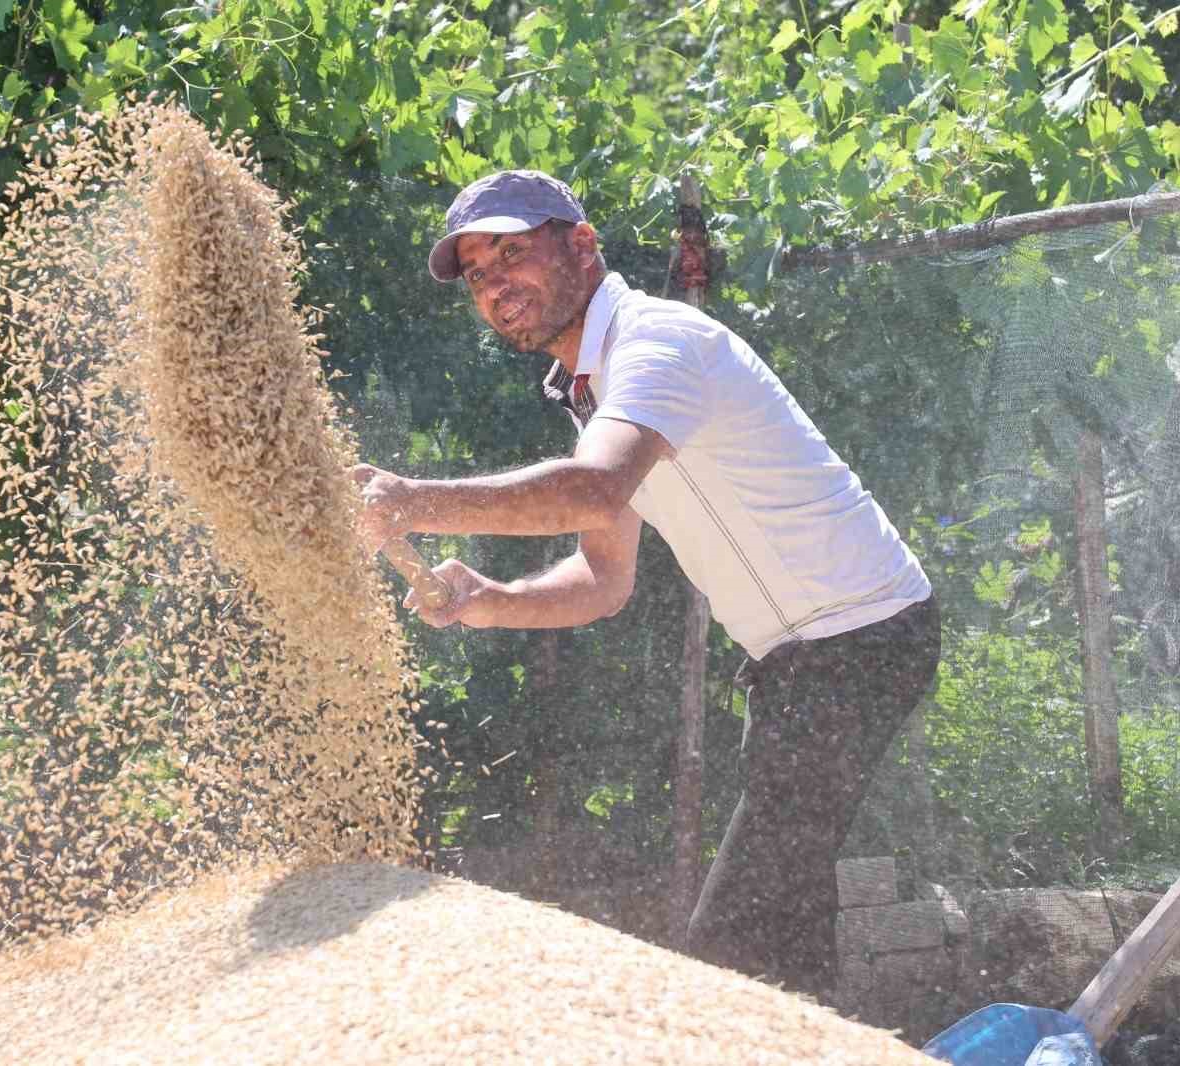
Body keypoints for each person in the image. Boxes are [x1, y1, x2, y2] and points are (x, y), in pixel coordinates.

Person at [352, 169, 940, 1000]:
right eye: (479, 274)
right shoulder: (591, 389)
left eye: (513, 254)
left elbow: (594, 490)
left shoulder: (657, 344)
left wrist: (416, 503)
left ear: (583, 247)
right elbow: (603, 578)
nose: (495, 285)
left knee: (741, 939)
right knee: (781, 920)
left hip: (863, 639)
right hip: (804, 662)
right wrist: (491, 600)